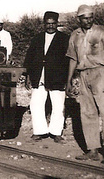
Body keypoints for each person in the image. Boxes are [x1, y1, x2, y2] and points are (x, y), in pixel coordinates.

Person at [66, 4, 104, 163]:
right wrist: (69, 80)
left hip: (101, 73)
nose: (88, 20)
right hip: (83, 75)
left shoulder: (103, 31)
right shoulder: (75, 35)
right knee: (87, 112)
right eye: (85, 18)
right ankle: (93, 150)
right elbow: (72, 59)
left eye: (91, 17)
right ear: (79, 19)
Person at [22, 11, 70, 142]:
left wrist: (68, 78)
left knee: (58, 105)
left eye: (53, 24)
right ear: (44, 24)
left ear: (57, 24)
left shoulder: (64, 39)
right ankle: (39, 131)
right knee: (35, 104)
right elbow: (30, 57)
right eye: (48, 24)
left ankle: (56, 132)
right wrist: (27, 76)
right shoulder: (37, 38)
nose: (50, 26)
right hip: (38, 76)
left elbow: (68, 60)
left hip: (57, 78)